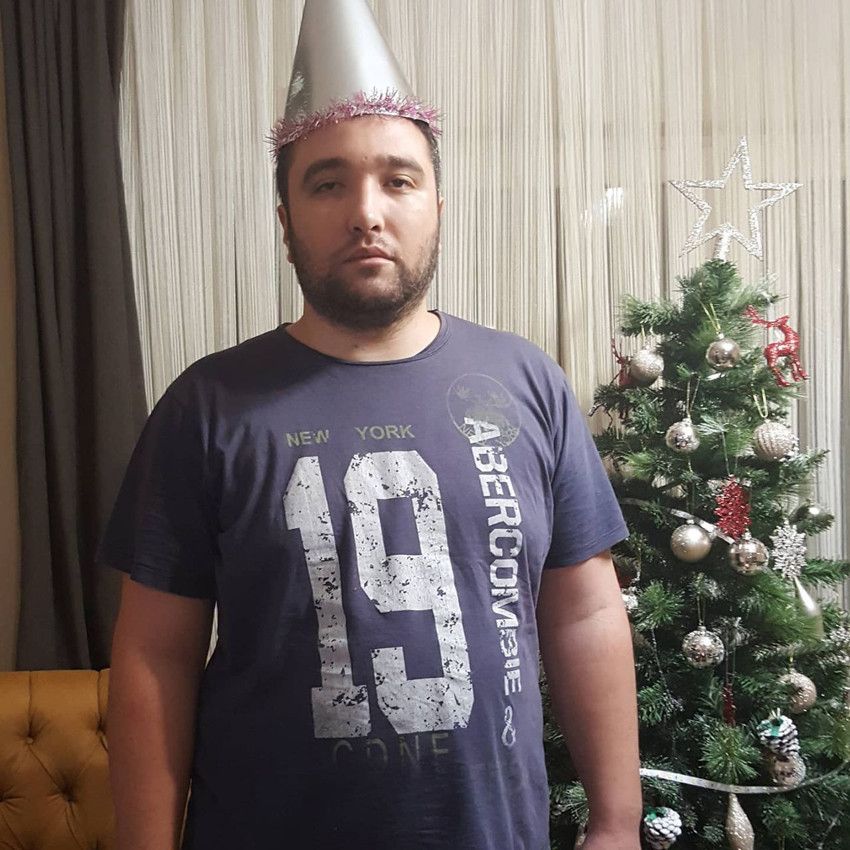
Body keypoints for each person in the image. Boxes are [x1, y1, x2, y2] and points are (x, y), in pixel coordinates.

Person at [99, 1, 642, 848]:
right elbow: (154, 657)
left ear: (437, 205)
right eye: (327, 183)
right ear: (284, 222)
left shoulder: (523, 383)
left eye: (398, 179)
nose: (366, 212)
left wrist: (616, 821)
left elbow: (582, 614)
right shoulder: (207, 406)